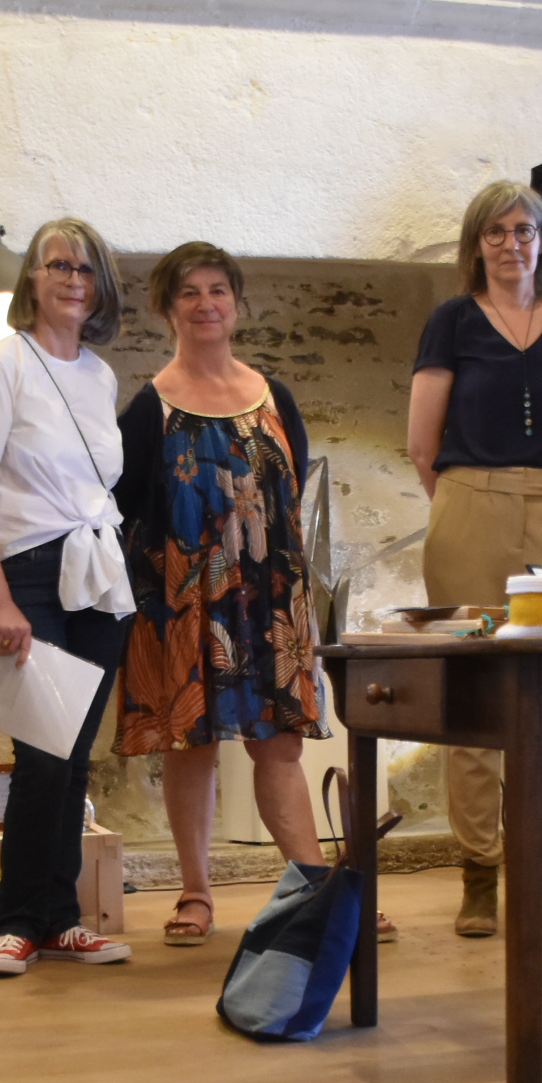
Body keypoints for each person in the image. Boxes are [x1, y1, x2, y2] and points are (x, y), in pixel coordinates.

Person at [111, 241, 346, 947]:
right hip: (183, 602)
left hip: (268, 598)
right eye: (189, 292)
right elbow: (123, 510)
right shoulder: (147, 409)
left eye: (218, 290)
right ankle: (196, 894)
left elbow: (290, 495)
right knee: (191, 745)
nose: (205, 304)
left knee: (280, 747)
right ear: (166, 308)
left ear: (237, 304)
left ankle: (313, 890)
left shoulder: (275, 398)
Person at [407, 180, 542, 940]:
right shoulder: (451, 321)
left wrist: (538, 492)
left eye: (524, 230)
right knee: (473, 692)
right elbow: (422, 444)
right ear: (476, 244)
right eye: (494, 231)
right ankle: (479, 874)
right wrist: (475, 500)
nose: (510, 244)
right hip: (469, 505)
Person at [0, 216, 136, 979]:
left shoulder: (99, 375)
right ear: (31, 275)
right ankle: (18, 919)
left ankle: (60, 919)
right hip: (25, 575)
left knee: (75, 757)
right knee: (42, 757)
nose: (73, 281)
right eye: (59, 265)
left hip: (95, 573)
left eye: (87, 270)